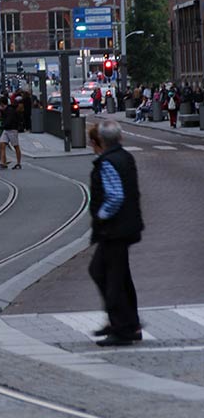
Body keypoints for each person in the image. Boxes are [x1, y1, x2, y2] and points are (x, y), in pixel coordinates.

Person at [87, 120, 143, 347]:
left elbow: (115, 196)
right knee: (116, 274)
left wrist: (101, 215)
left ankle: (122, 327)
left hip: (114, 229)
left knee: (108, 275)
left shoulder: (108, 162)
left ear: (100, 141)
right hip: (127, 226)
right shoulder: (126, 157)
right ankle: (130, 323)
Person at [0, 97, 22, 170]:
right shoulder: (4, 110)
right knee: (2, 145)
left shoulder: (10, 110)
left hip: (12, 129)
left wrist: (2, 126)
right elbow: (0, 118)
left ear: (2, 103)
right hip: (6, 129)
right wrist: (0, 112)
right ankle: (3, 163)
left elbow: (9, 120)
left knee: (16, 146)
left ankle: (18, 163)